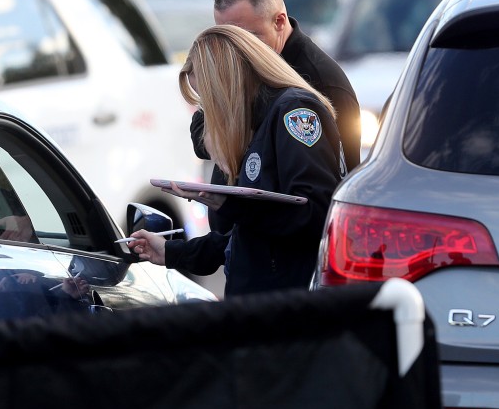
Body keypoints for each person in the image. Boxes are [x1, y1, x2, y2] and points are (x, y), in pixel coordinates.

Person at [128, 24, 345, 297]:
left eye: (209, 97)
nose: (206, 111)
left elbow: (317, 217)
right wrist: (172, 251)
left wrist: (232, 205)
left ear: (228, 84)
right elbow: (246, 237)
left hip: (291, 310)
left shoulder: (295, 112)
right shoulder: (253, 125)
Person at [192, 0, 360, 233]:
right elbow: (200, 133)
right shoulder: (241, 68)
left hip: (283, 258)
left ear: (279, 21)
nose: (234, 50)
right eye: (225, 37)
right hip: (240, 249)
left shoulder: (321, 83)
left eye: (246, 37)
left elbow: (334, 195)